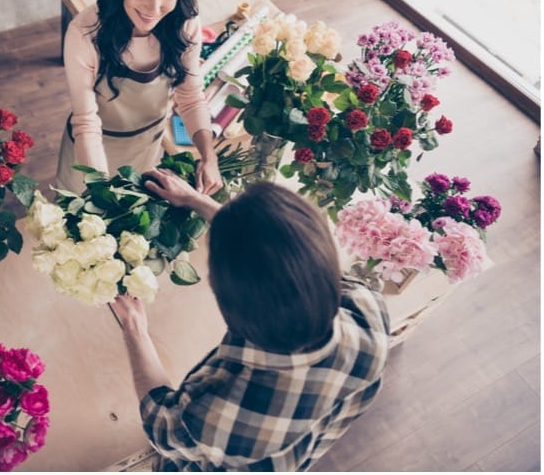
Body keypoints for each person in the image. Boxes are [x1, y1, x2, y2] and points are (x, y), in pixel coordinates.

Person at [110, 170, 390, 471]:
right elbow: (286, 257)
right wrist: (197, 201)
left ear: (227, 303)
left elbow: (160, 424)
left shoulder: (217, 413)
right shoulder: (367, 307)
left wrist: (135, 328)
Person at [56, 0, 222, 195]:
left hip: (148, 145)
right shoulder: (84, 33)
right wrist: (102, 192)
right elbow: (86, 122)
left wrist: (209, 156)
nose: (153, 8)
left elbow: (190, 97)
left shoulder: (185, 24)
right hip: (91, 154)